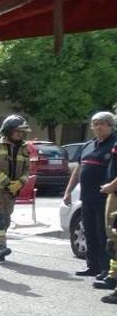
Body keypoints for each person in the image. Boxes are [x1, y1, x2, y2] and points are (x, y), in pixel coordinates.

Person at [64, 112, 117, 280]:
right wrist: (68, 191)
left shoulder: (114, 144)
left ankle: (106, 269)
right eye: (95, 124)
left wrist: (111, 186)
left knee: (104, 234)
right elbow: (78, 169)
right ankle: (92, 266)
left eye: (102, 123)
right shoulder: (88, 145)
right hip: (86, 198)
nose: (98, 127)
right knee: (90, 232)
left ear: (110, 125)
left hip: (106, 198)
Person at [0, 114, 32, 262]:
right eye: (17, 131)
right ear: (8, 130)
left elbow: (27, 170)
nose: (20, 134)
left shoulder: (25, 149)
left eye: (22, 131)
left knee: (5, 220)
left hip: (11, 192)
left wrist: (20, 183)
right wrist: (7, 182)